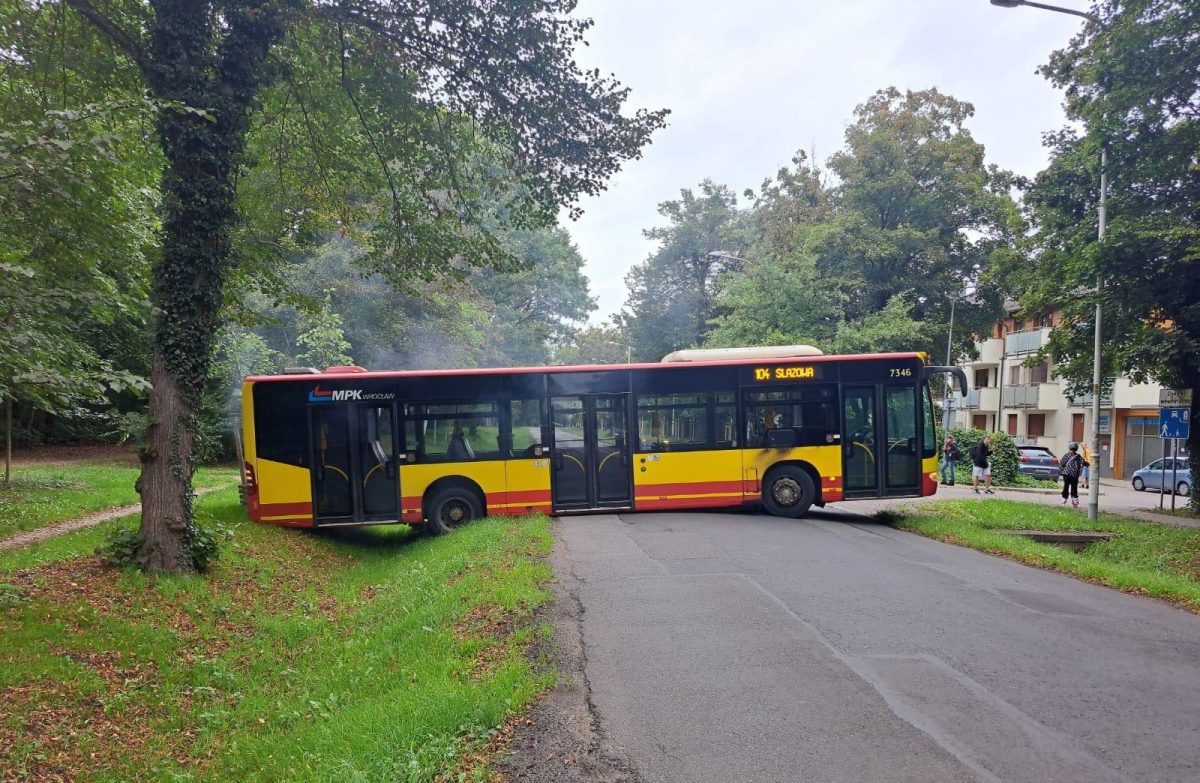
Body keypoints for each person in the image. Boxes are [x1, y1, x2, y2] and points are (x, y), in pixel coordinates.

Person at [1060, 442, 1085, 508]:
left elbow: (1062, 463)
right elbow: (1083, 463)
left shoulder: (1066, 455)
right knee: (1074, 488)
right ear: (1076, 448)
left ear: (1069, 448)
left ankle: (1063, 501)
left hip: (1066, 474)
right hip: (1075, 475)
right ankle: (1075, 502)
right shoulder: (1078, 456)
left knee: (1065, 487)